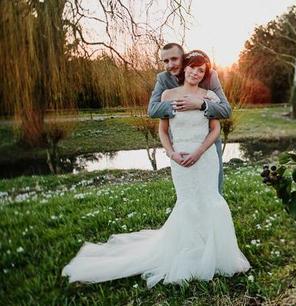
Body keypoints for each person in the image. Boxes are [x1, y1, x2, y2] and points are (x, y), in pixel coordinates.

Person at [61, 51, 250, 288]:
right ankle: (191, 252)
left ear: (205, 74)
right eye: (192, 68)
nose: (195, 72)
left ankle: (217, 254)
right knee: (188, 202)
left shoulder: (210, 96)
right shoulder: (168, 94)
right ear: (185, 69)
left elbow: (215, 130)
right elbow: (162, 129)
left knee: (210, 200)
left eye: (201, 70)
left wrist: (200, 151)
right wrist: (171, 153)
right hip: (179, 157)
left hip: (205, 157)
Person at [147, 43, 231, 195]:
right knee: (187, 195)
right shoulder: (163, 80)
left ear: (184, 59)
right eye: (165, 61)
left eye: (174, 59)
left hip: (207, 143)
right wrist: (180, 103)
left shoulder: (209, 75)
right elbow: (153, 110)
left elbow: (225, 110)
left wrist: (201, 104)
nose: (170, 65)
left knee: (213, 192)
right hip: (181, 144)